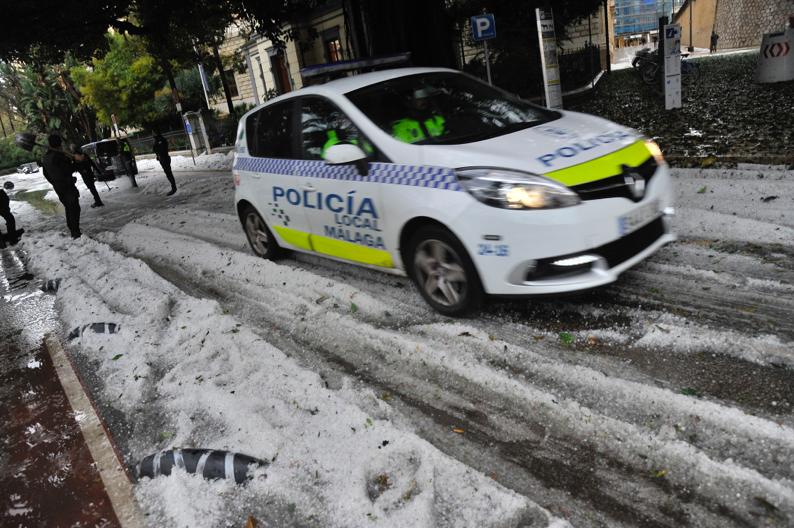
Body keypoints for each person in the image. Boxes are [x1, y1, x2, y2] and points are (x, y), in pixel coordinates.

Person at [41, 134, 82, 239]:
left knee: (68, 207)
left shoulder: (45, 158)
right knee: (74, 208)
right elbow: (68, 170)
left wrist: (55, 182)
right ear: (59, 144)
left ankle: (72, 229)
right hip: (67, 186)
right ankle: (75, 232)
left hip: (58, 187)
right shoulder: (59, 156)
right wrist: (76, 161)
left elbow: (46, 174)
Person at [152, 130, 177, 195]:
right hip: (162, 159)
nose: (152, 134)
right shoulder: (157, 140)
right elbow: (156, 150)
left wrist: (160, 155)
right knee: (168, 173)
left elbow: (162, 150)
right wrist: (158, 156)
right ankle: (173, 188)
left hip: (165, 159)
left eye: (153, 132)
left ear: (156, 133)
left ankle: (174, 188)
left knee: (169, 173)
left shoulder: (161, 140)